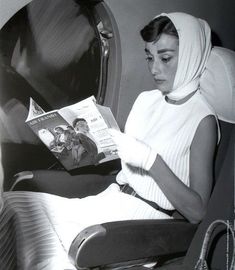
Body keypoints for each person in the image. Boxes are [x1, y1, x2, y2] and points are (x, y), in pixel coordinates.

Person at [0, 12, 218, 270]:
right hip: (113, 197)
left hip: (145, 221)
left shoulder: (202, 120)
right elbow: (122, 159)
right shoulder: (147, 99)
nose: (154, 69)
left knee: (48, 257)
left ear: (191, 55)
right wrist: (83, 143)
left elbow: (199, 211)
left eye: (165, 58)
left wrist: (151, 160)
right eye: (149, 57)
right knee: (12, 206)